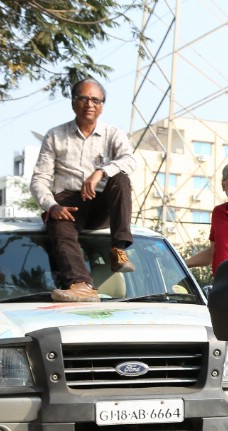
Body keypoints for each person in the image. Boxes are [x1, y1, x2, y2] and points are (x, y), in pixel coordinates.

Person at [30, 77, 137, 302]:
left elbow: (129, 160)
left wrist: (101, 172)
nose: (89, 104)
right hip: (68, 203)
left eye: (95, 100)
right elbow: (39, 179)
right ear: (73, 102)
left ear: (102, 106)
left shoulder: (113, 133)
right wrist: (52, 206)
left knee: (121, 178)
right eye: (84, 98)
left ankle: (118, 249)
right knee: (59, 227)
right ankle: (81, 285)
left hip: (102, 204)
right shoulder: (55, 135)